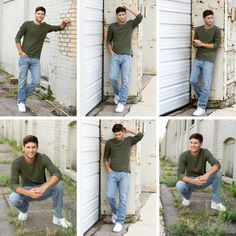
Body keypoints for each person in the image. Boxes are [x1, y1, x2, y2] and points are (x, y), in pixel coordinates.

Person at [15, 6, 71, 112]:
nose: (40, 15)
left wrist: (64, 21)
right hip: (24, 58)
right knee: (22, 80)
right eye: (38, 13)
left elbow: (59, 27)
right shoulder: (27, 24)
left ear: (44, 15)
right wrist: (21, 52)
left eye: (42, 14)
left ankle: (21, 95)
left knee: (36, 81)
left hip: (35, 60)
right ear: (35, 14)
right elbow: (17, 38)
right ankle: (21, 102)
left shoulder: (45, 27)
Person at [9, 135, 72, 228]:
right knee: (13, 198)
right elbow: (13, 184)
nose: (31, 150)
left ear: (37, 147)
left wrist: (45, 186)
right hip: (27, 191)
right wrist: (28, 192)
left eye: (33, 147)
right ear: (23, 147)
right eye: (28, 147)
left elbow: (57, 173)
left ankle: (58, 217)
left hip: (42, 190)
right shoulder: (17, 162)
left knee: (59, 184)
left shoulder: (43, 158)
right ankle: (23, 210)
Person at [103, 124, 144, 232]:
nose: (117, 136)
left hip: (124, 174)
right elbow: (105, 157)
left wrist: (128, 129)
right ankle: (115, 212)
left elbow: (140, 135)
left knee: (123, 198)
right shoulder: (110, 143)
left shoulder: (128, 141)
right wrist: (108, 169)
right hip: (112, 174)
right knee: (109, 196)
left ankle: (120, 222)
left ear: (123, 132)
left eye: (120, 134)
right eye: (116, 135)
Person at [106, 5, 143, 113]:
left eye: (123, 14)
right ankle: (117, 93)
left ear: (125, 15)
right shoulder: (112, 27)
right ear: (117, 16)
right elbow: (108, 41)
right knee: (113, 78)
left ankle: (122, 103)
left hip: (127, 56)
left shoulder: (130, 24)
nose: (122, 16)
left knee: (125, 80)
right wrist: (111, 52)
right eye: (119, 15)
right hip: (115, 56)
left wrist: (128, 7)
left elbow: (140, 17)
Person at [176, 133, 226, 212]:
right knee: (179, 185)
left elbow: (217, 164)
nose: (193, 145)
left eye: (196, 143)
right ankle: (187, 197)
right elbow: (180, 174)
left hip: (203, 180)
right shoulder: (184, 155)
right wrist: (193, 181)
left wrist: (206, 175)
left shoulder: (205, 152)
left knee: (218, 173)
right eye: (191, 142)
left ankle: (216, 202)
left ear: (201, 144)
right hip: (191, 181)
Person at [190, 10, 221, 116]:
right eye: (208, 18)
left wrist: (202, 43)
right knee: (193, 80)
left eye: (212, 17)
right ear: (204, 19)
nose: (210, 20)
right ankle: (202, 100)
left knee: (207, 84)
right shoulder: (198, 29)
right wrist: (196, 44)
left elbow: (215, 46)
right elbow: (194, 43)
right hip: (198, 58)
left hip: (209, 59)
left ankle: (202, 106)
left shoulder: (216, 30)